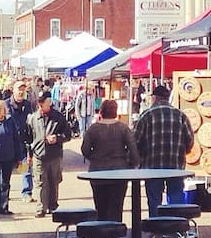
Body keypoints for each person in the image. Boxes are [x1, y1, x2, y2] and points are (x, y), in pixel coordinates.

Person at [134, 85, 193, 214]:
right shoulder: (180, 115)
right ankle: (176, 229)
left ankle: (157, 230)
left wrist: (139, 158)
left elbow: (136, 141)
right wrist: (182, 152)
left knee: (154, 200)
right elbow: (189, 141)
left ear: (155, 98)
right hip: (175, 165)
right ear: (167, 98)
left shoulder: (146, 115)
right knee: (176, 198)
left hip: (152, 166)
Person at [81, 100, 140, 222]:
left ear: (101, 112)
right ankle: (115, 234)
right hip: (119, 173)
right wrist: (130, 163)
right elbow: (134, 151)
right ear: (115, 112)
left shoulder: (93, 129)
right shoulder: (123, 129)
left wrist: (95, 157)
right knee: (116, 207)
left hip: (97, 173)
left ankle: (103, 235)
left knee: (101, 207)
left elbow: (85, 150)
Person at [28, 91, 71, 217]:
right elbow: (28, 138)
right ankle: (41, 207)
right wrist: (29, 155)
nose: (41, 105)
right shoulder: (33, 118)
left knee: (54, 181)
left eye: (44, 102)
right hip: (38, 155)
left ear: (49, 102)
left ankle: (53, 206)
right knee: (40, 182)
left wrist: (57, 138)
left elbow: (68, 135)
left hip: (54, 155)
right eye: (39, 102)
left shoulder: (58, 117)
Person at [6, 80, 37, 203]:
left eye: (23, 90)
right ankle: (5, 193)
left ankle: (26, 192)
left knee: (25, 169)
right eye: (19, 89)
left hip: (23, 143)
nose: (21, 92)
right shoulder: (6, 104)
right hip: (9, 143)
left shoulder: (27, 105)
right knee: (7, 170)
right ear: (13, 90)